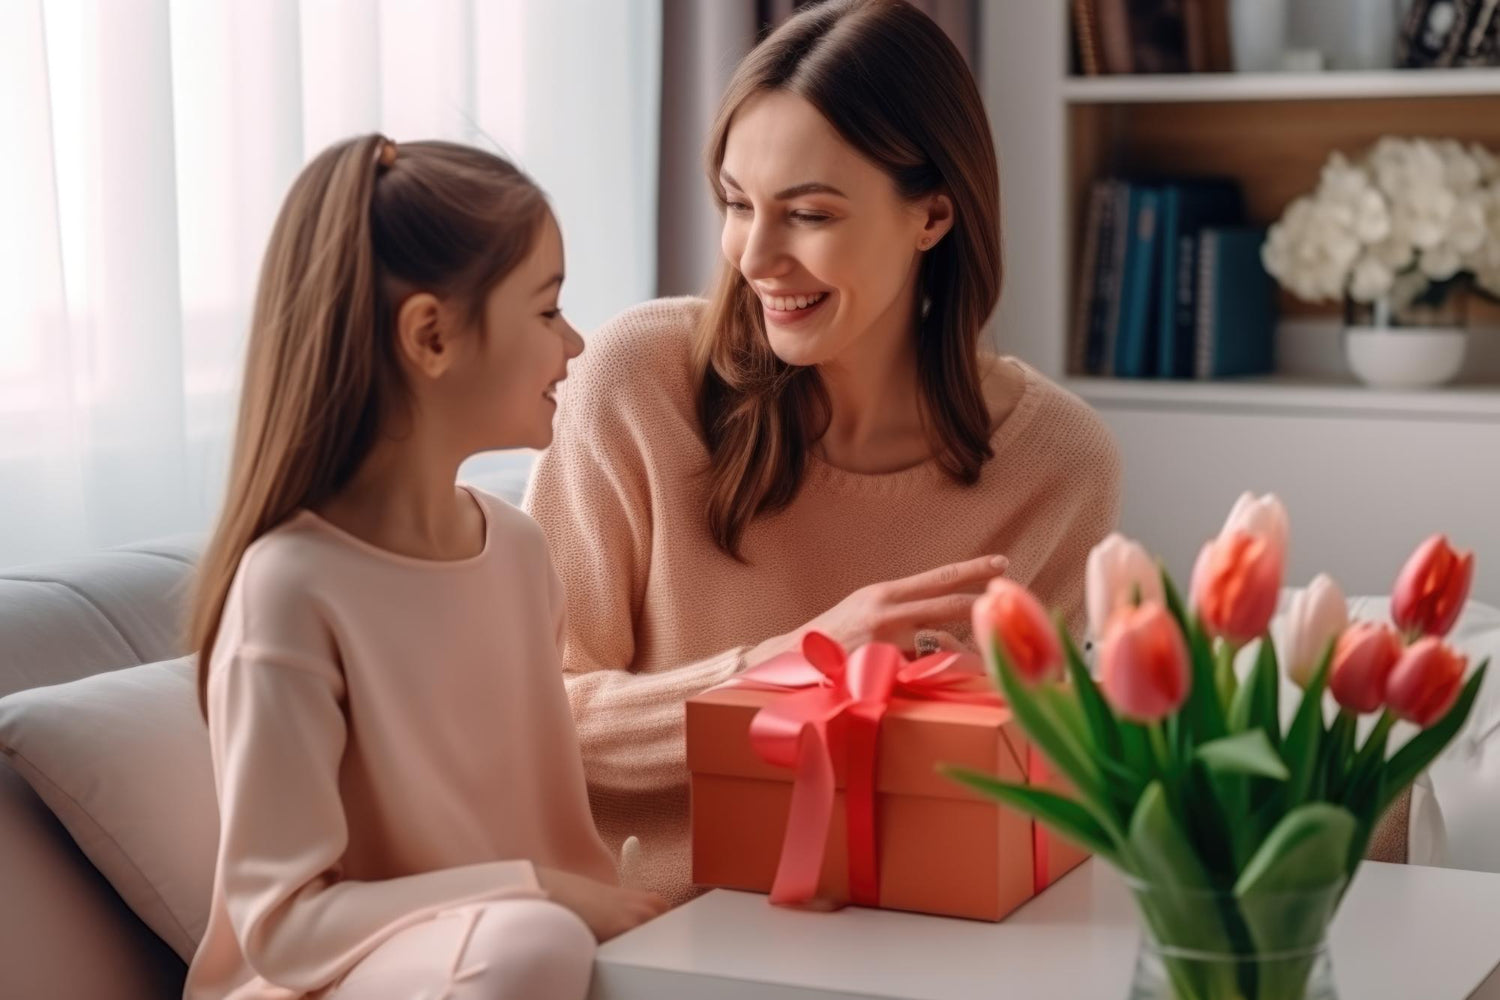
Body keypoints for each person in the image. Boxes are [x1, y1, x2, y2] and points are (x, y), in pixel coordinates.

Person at [525, 0, 1123, 907]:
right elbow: (533, 721)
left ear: (932, 215)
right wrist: (793, 667)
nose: (755, 256)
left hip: (910, 935)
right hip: (641, 934)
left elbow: (1016, 795)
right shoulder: (638, 382)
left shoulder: (1058, 465)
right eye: (736, 205)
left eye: (807, 214)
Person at [184, 135, 666, 1000]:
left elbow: (562, 849)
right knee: (530, 943)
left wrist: (604, 911)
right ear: (431, 334)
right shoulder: (289, 588)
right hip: (321, 981)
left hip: (519, 956)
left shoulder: (518, 551)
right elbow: (283, 929)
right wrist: (533, 891)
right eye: (547, 310)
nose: (578, 342)